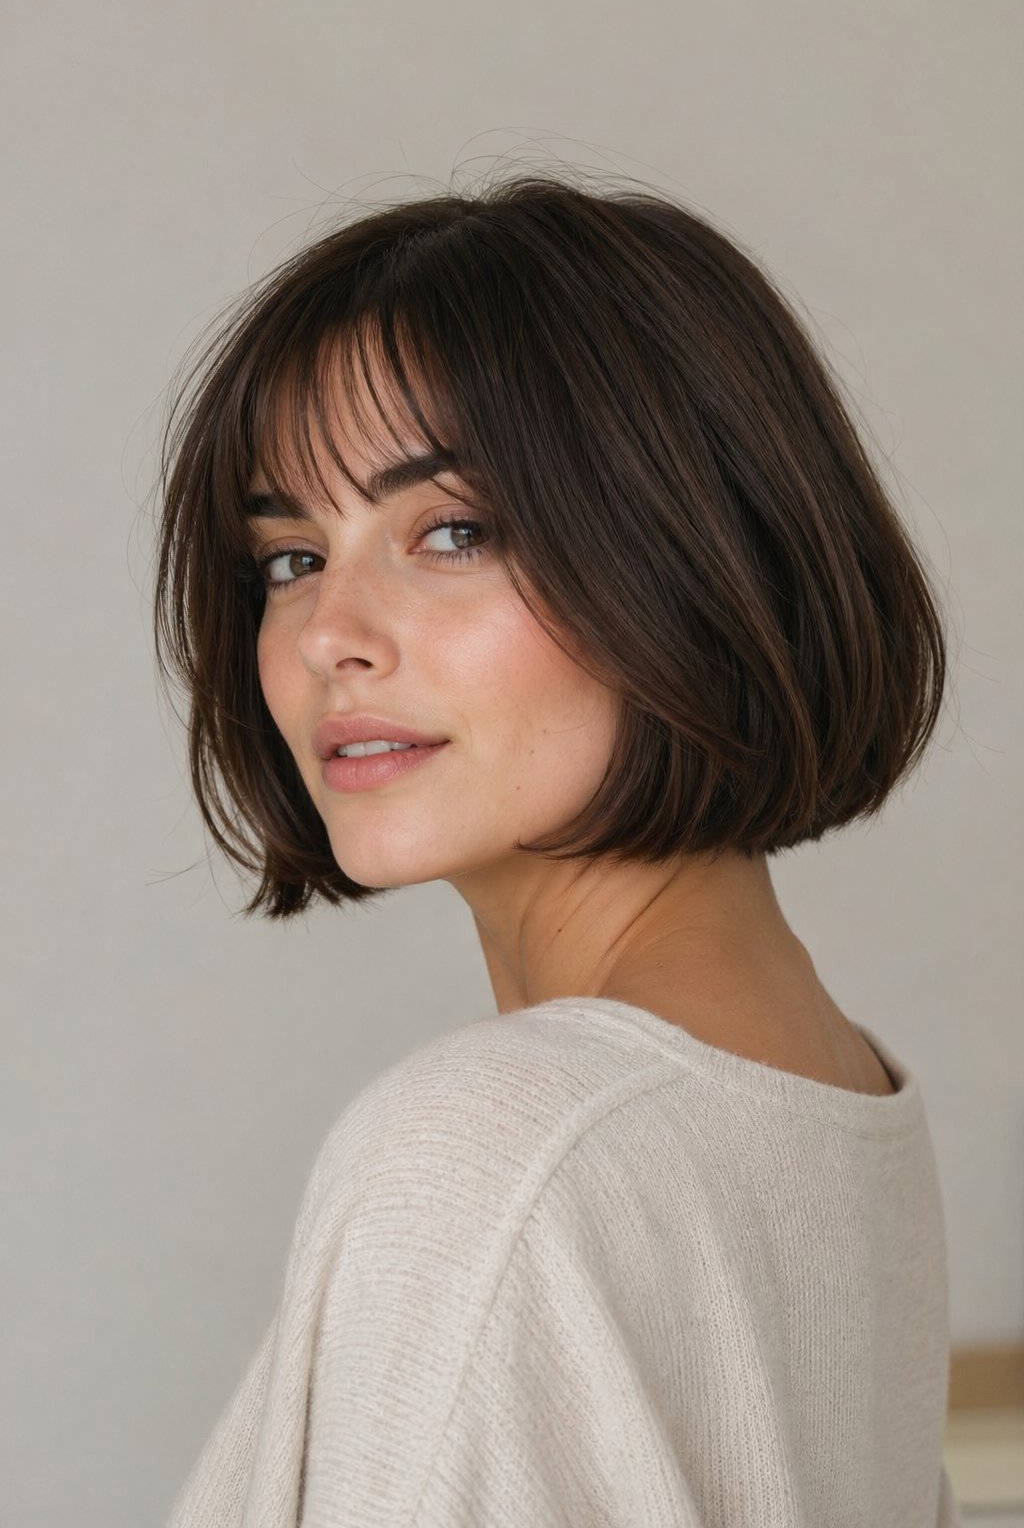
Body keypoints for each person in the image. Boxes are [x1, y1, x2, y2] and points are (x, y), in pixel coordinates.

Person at [154, 171, 961, 1525]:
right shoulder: (837, 1099)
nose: (329, 633)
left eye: (452, 531)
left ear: (693, 557)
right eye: (290, 556)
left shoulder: (496, 1153)